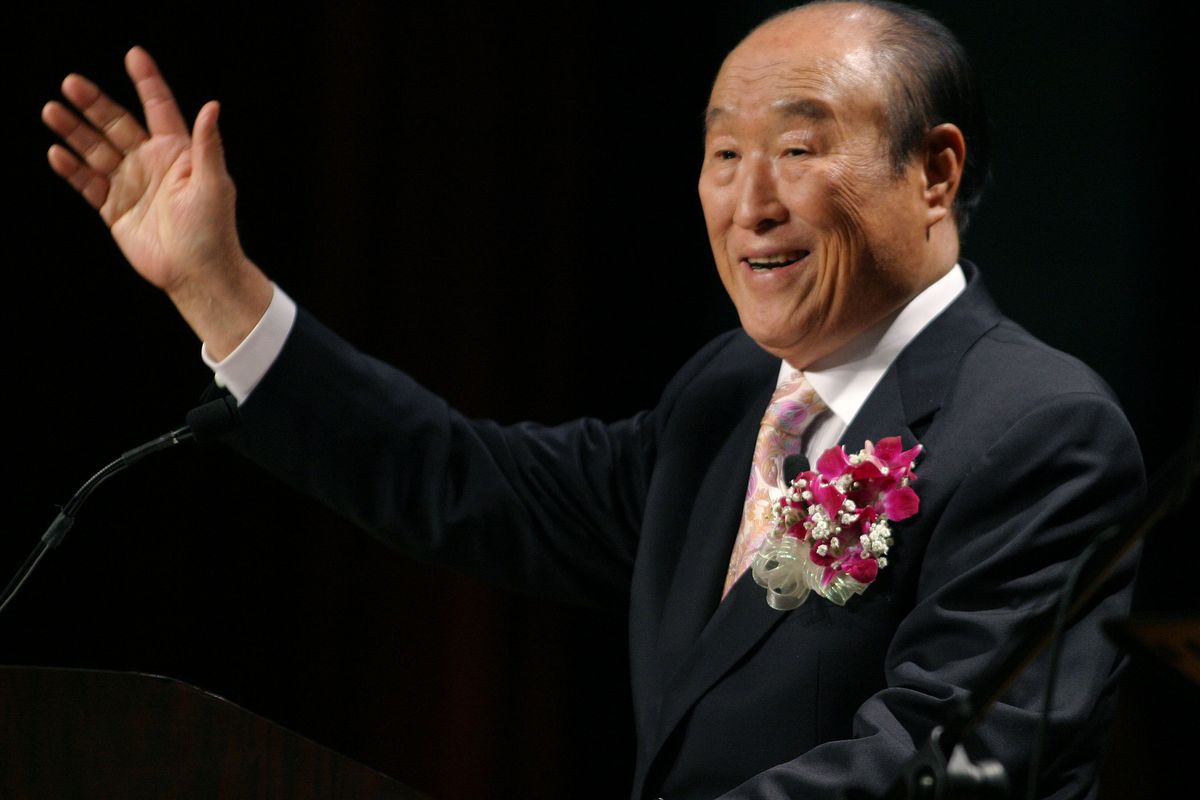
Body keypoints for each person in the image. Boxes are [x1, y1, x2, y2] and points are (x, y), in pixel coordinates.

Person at [42, 1, 1143, 798]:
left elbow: (945, 763)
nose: (749, 202)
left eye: (798, 149)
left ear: (936, 173)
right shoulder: (727, 395)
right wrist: (216, 286)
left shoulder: (1040, 427)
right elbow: (470, 483)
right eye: (723, 153)